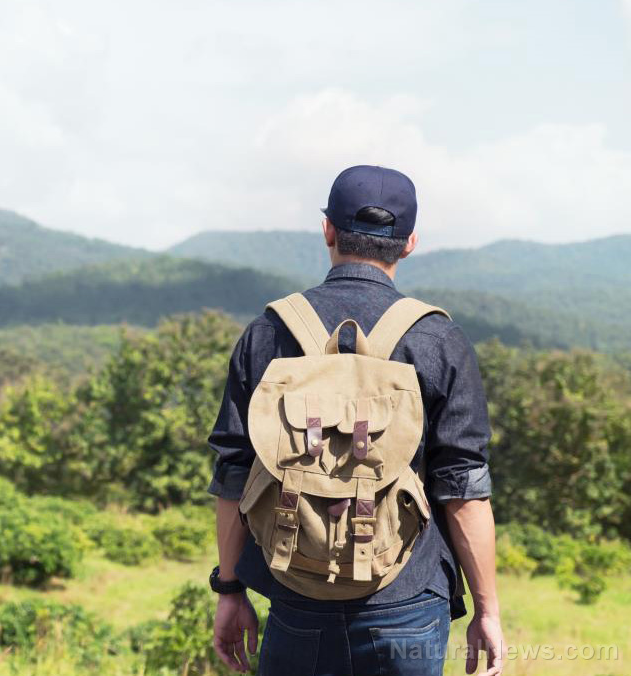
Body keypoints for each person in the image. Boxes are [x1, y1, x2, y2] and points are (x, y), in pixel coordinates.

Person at [206, 165, 505, 676]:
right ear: (409, 243)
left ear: (328, 230)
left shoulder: (267, 334)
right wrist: (487, 610)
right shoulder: (436, 339)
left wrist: (231, 590)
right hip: (408, 601)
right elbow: (463, 490)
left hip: (296, 593)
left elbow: (233, 475)